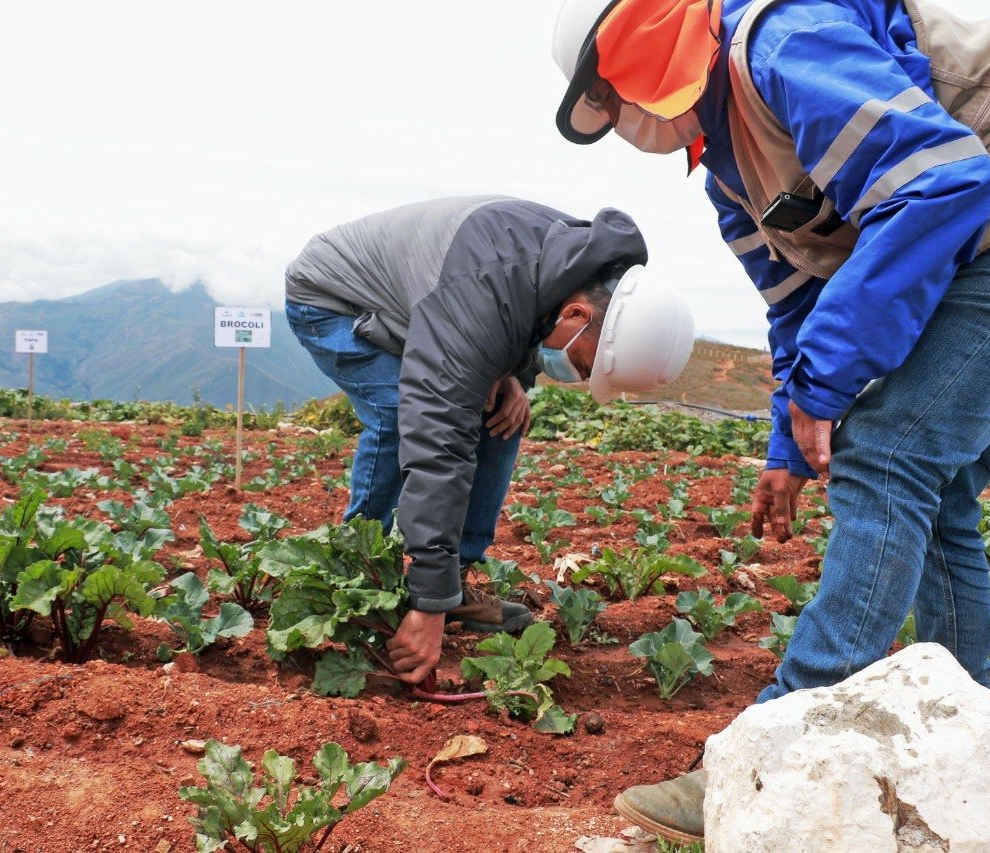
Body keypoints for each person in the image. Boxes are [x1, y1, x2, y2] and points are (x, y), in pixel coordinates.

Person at [551, 0, 990, 842]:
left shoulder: (784, 44)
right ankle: (964, 737)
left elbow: (942, 178)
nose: (618, 123)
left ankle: (774, 750)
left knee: (890, 449)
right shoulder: (725, 168)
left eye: (610, 97)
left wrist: (826, 389)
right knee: (939, 493)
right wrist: (785, 445)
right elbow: (798, 302)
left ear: (642, 50)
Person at [285, 195, 695, 684]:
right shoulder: (486, 290)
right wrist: (427, 607)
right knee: (398, 414)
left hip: (434, 308)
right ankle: (355, 572)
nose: (578, 378)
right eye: (585, 366)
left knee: (503, 412)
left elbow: (516, 319)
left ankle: (454, 580)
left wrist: (516, 374)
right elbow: (437, 441)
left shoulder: (568, 272)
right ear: (576, 315)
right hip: (334, 299)